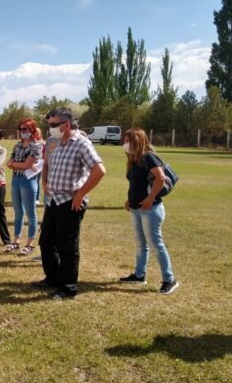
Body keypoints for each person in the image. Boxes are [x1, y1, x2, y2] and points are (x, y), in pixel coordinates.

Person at [37, 108, 106, 299]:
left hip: (70, 202)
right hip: (53, 200)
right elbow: (49, 167)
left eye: (53, 125)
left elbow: (99, 170)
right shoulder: (58, 143)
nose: (50, 128)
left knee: (67, 246)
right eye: (48, 124)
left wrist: (81, 193)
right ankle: (53, 278)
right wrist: (46, 184)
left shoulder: (82, 144)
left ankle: (68, 287)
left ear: (66, 124)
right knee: (46, 241)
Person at [119, 128, 179, 294]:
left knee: (155, 243)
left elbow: (160, 179)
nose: (124, 144)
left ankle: (169, 279)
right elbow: (136, 184)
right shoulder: (134, 160)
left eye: (127, 141)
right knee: (141, 244)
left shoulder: (148, 157)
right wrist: (129, 200)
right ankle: (140, 275)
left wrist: (150, 198)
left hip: (151, 209)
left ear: (137, 141)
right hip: (137, 208)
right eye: (124, 141)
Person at [5, 119, 43, 255]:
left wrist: (15, 164)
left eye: (25, 129)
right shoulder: (18, 146)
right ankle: (15, 242)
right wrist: (18, 164)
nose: (22, 132)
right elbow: (9, 162)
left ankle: (29, 244)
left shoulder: (36, 146)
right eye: (20, 129)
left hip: (28, 181)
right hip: (16, 180)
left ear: (32, 130)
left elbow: (27, 165)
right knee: (18, 213)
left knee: (31, 213)